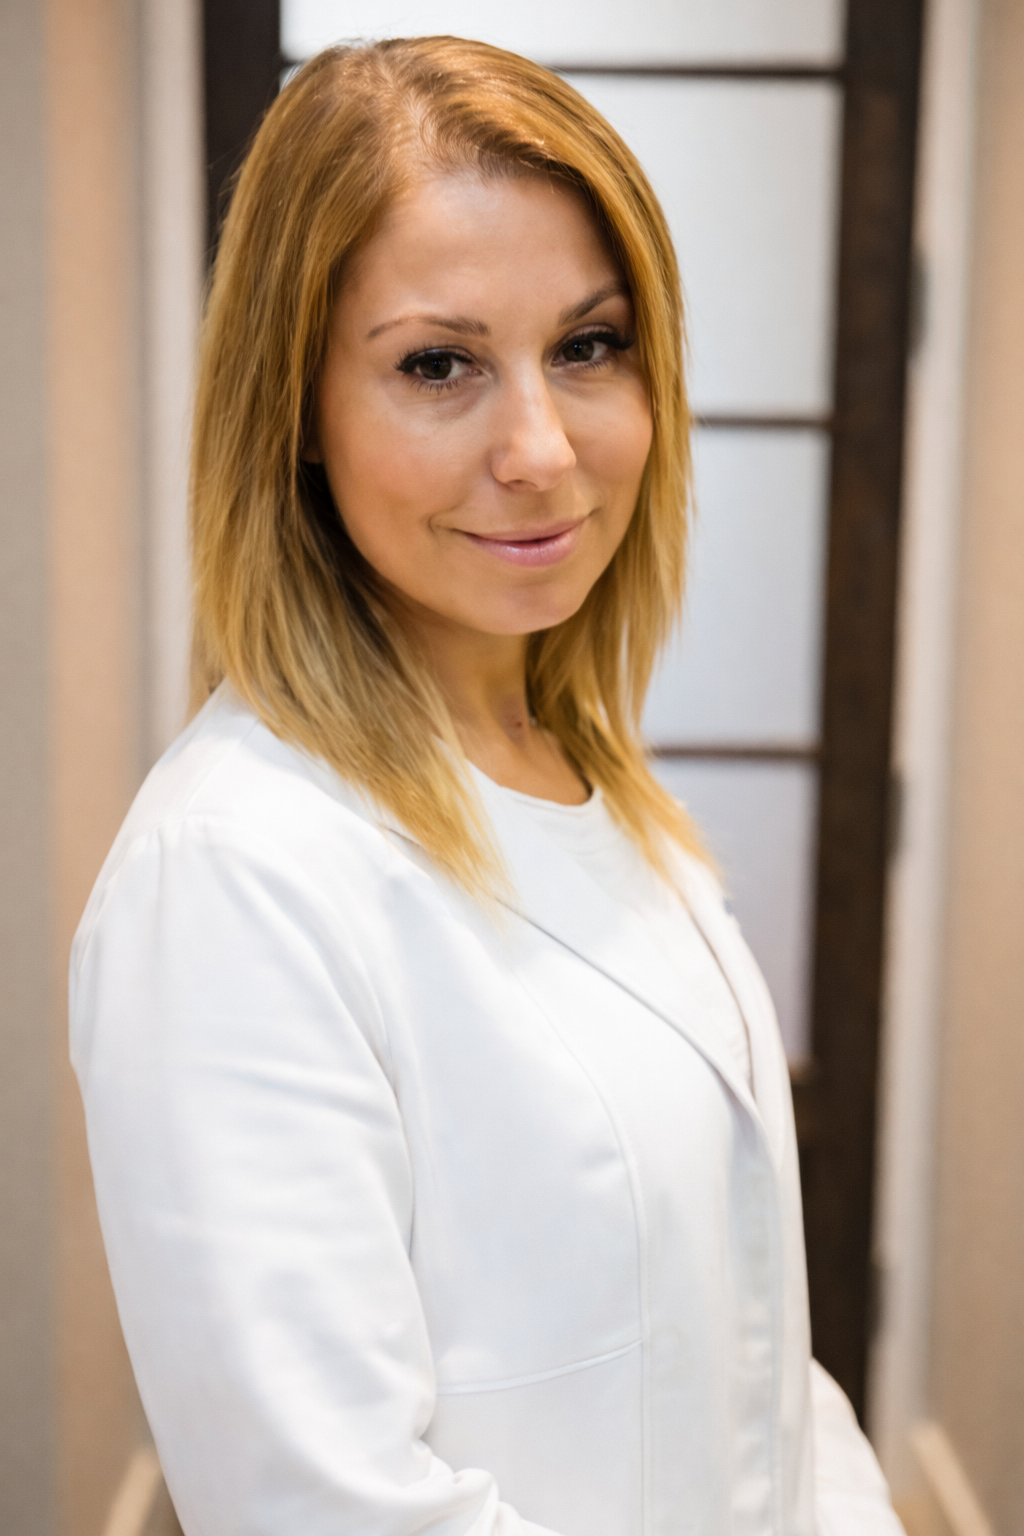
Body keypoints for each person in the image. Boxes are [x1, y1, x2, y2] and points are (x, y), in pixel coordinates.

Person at [70, 36, 903, 1536]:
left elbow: (759, 1351)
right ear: (297, 419)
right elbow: (325, 1507)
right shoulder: (237, 874)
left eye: (588, 345)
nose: (541, 449)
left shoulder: (591, 778)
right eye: (437, 364)